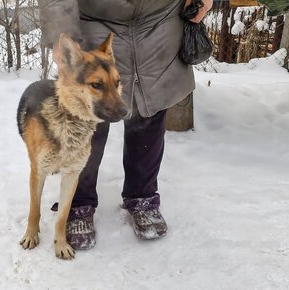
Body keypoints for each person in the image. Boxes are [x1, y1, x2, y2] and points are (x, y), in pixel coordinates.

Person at [39, 0, 213, 250]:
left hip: (160, 20)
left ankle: (142, 196)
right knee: (88, 122)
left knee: (150, 113)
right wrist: (60, 32)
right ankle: (78, 201)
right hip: (95, 21)